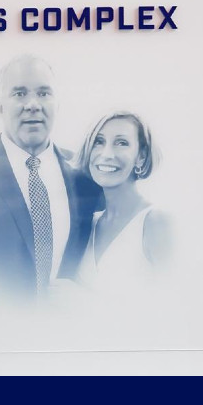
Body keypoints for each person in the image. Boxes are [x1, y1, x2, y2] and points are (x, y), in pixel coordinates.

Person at [0, 54, 103, 298]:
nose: (32, 104)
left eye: (43, 93)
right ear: (0, 106)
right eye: (19, 93)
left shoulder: (86, 177)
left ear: (57, 104)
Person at [73, 111, 172, 293]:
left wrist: (84, 302)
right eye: (99, 141)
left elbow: (178, 309)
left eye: (122, 143)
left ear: (140, 157)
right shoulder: (90, 223)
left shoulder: (156, 222)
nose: (107, 154)